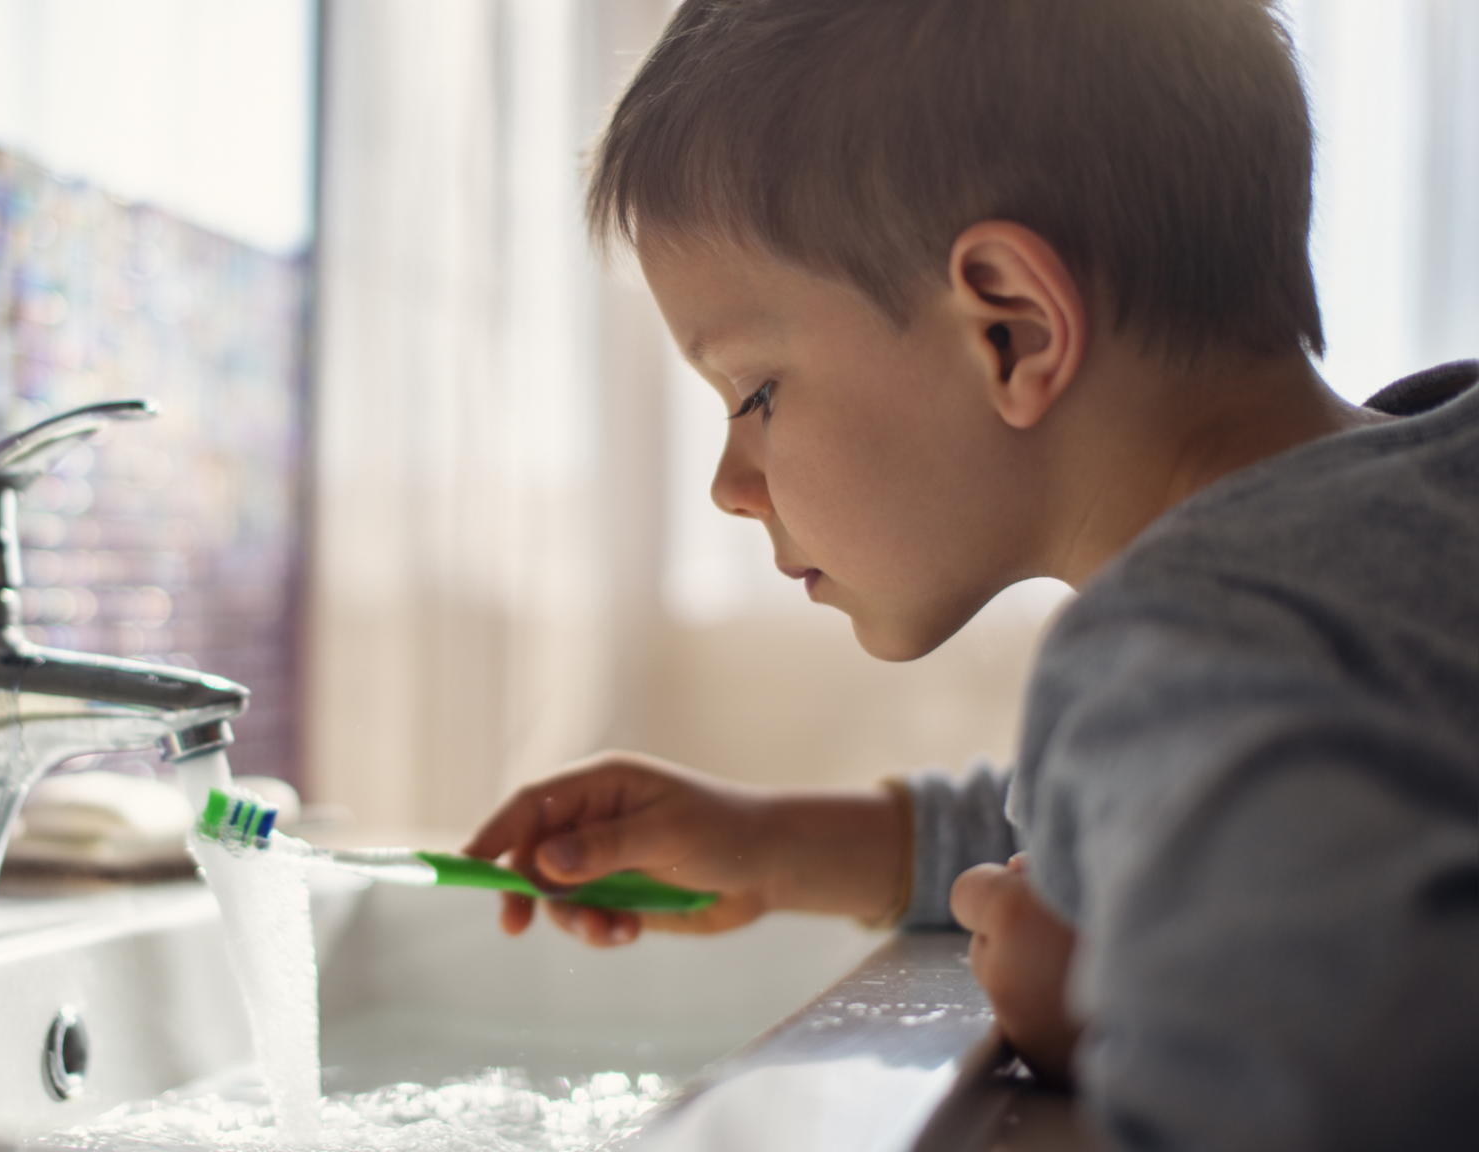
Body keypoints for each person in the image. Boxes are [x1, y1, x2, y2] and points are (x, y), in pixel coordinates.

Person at [460, 1, 1479, 1147]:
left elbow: (1358, 1084)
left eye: (752, 395)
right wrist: (776, 844)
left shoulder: (1191, 651)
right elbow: (1146, 812)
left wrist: (1097, 1012)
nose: (727, 486)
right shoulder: (1411, 512)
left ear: (1012, 332)